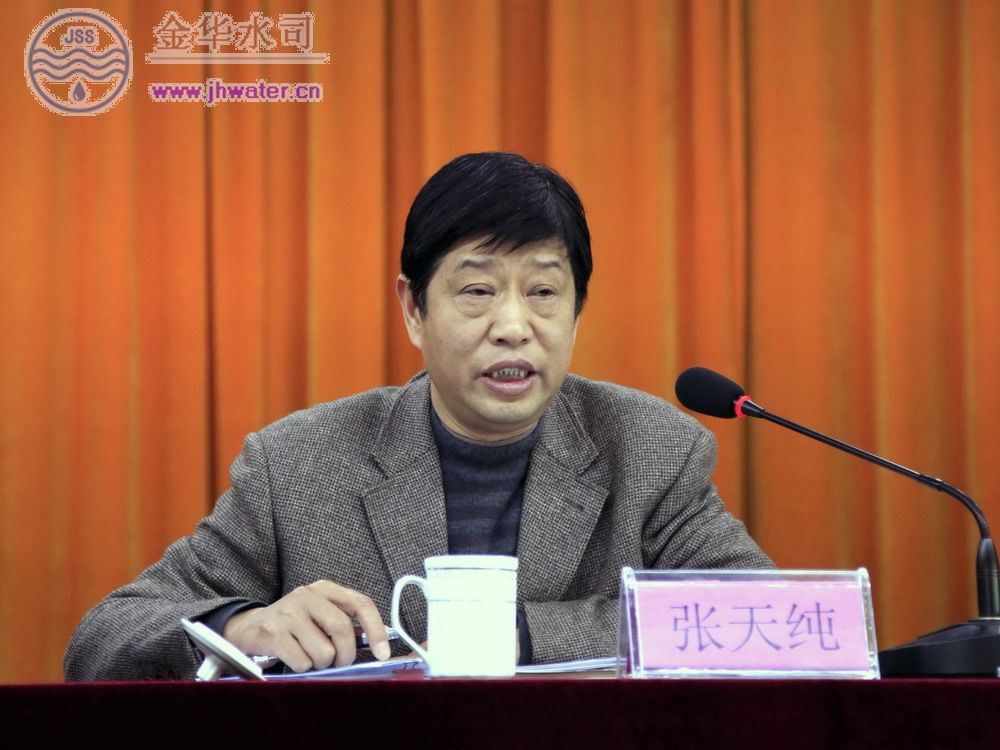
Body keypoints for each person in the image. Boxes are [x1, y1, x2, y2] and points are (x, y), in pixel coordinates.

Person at [64, 152, 771, 681]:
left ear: (576, 310)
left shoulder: (649, 449)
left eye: (544, 293)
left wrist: (519, 637)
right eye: (477, 291)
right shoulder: (298, 465)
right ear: (413, 309)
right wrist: (241, 626)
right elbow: (103, 639)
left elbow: (760, 617)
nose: (514, 327)